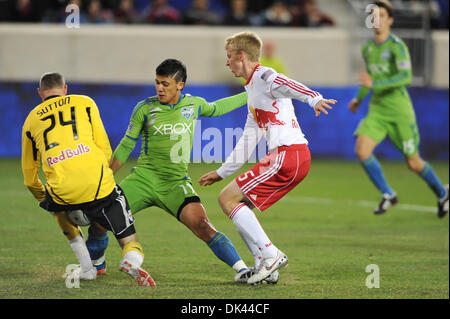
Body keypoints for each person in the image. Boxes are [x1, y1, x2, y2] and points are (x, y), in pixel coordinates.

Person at [95, 58, 251, 283]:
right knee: (100, 220)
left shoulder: (193, 104)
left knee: (202, 226)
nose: (159, 88)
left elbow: (217, 109)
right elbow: (126, 145)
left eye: (165, 84)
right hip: (143, 180)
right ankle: (96, 267)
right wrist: (107, 177)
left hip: (175, 183)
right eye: (157, 82)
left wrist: (250, 94)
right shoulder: (144, 108)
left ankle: (242, 270)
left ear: (180, 85)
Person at [199, 31, 337, 284]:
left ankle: (270, 255)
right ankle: (265, 265)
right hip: (289, 157)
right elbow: (248, 140)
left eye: (229, 57)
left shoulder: (264, 76)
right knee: (236, 203)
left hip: (288, 154)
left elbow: (287, 82)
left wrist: (313, 98)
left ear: (242, 56)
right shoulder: (252, 90)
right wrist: (222, 172)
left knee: (228, 199)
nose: (226, 62)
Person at [21, 72, 155, 287]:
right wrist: (100, 177)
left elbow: (30, 177)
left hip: (63, 191)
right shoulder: (85, 102)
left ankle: (87, 268)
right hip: (98, 185)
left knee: (56, 207)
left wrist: (45, 199)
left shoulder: (30, 120)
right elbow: (104, 147)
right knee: (128, 237)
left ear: (40, 93)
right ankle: (131, 259)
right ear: (65, 89)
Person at [348, 0, 448, 218]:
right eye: (373, 15)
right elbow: (369, 80)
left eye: (382, 15)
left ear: (390, 20)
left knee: (413, 162)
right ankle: (388, 193)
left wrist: (375, 85)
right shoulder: (367, 48)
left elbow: (405, 77)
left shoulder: (397, 46)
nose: (377, 20)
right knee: (361, 151)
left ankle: (442, 193)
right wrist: (358, 99)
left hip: (400, 111)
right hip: (378, 110)